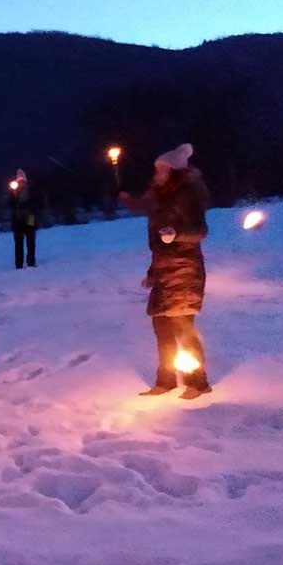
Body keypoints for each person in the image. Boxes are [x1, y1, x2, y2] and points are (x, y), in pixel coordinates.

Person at [119, 143, 213, 400]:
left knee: (183, 327)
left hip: (185, 270)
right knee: (162, 327)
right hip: (165, 272)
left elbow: (200, 231)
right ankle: (166, 380)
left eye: (161, 169)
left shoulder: (187, 195)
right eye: (156, 169)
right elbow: (159, 242)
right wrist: (153, 272)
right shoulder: (160, 198)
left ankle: (198, 382)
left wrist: (177, 235)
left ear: (173, 171)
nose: (156, 173)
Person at [9, 169, 38, 269]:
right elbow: (9, 204)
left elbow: (36, 203)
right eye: (19, 181)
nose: (21, 183)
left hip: (30, 217)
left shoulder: (31, 191)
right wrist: (13, 194)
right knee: (19, 243)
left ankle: (31, 261)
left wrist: (32, 210)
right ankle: (19, 264)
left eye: (23, 181)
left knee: (30, 240)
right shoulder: (13, 192)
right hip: (17, 220)